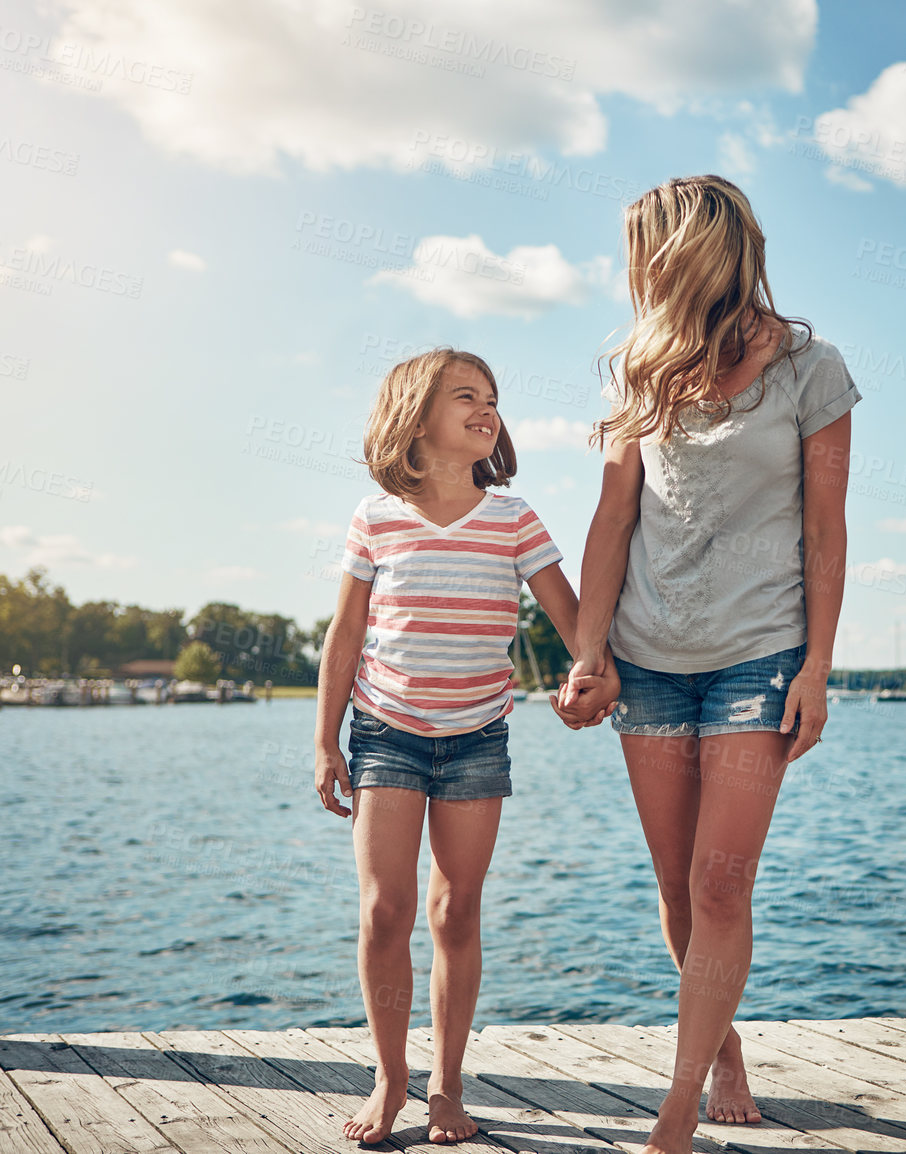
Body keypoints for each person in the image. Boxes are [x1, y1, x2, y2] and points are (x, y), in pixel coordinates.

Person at [555, 174, 860, 1154]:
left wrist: (817, 664)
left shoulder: (811, 369)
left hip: (757, 656)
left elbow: (824, 527)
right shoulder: (639, 372)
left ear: (690, 251)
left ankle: (676, 1110)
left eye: (644, 246)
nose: (634, 268)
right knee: (676, 886)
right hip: (647, 659)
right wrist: (588, 650)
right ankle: (718, 1048)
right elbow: (613, 521)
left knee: (721, 882)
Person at [314, 348, 620, 1145]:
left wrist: (594, 671)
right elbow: (345, 635)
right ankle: (390, 1079)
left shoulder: (513, 516)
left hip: (478, 736)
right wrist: (324, 742)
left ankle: (447, 1088)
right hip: (384, 732)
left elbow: (571, 615)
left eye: (492, 397)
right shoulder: (375, 514)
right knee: (386, 910)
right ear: (417, 417)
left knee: (455, 911)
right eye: (466, 397)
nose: (487, 409)